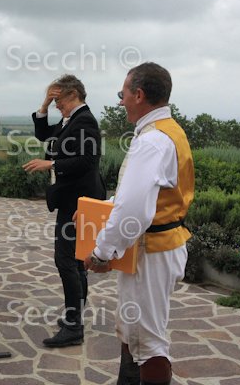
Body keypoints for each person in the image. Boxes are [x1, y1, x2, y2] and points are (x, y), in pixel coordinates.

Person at [84, 62, 194, 385]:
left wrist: (103, 252)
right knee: (134, 331)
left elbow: (134, 210)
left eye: (123, 94)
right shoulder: (169, 131)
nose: (121, 101)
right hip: (160, 246)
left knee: (147, 341)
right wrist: (97, 210)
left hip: (151, 252)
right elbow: (142, 198)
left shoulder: (152, 140)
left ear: (139, 95)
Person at [23, 74, 105, 347]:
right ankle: (75, 317)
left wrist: (51, 165)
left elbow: (88, 160)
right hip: (73, 198)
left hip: (79, 201)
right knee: (76, 260)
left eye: (58, 100)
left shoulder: (85, 121)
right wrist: (43, 105)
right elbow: (43, 134)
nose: (57, 105)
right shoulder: (71, 120)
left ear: (73, 94)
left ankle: (73, 326)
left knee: (66, 260)